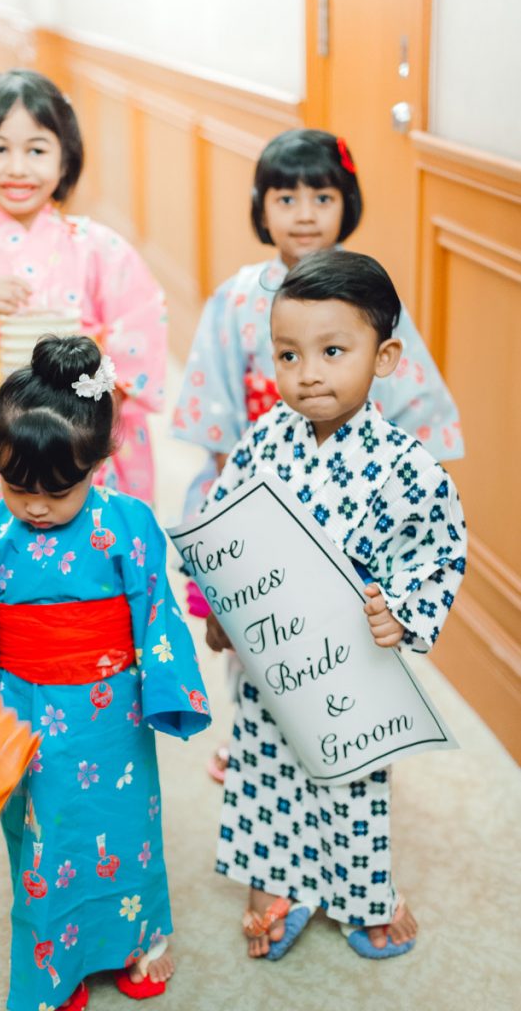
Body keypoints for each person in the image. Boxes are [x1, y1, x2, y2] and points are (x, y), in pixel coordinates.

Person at [0, 336, 210, 1010]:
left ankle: (138, 941)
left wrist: (167, 690)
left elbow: (156, 612)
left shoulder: (128, 524)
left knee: (128, 831)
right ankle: (53, 967)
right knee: (43, 843)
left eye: (57, 490)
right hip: (23, 712)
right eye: (14, 485)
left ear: (98, 461)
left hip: (112, 717)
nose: (33, 505)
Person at [197, 250, 466, 962]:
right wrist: (218, 607)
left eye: (332, 350)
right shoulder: (262, 443)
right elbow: (220, 530)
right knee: (262, 771)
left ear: (383, 358)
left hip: (349, 669)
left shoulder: (406, 467)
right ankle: (273, 886)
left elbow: (435, 549)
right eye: (287, 355)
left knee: (350, 785)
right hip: (271, 660)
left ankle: (359, 895)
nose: (306, 371)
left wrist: (401, 611)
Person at [171, 128, 464, 781]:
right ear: (260, 206)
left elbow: (411, 407)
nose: (303, 213)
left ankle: (343, 741)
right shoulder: (235, 300)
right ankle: (252, 737)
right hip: (258, 489)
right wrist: (232, 506)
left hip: (349, 502)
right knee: (255, 634)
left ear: (346, 203)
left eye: (321, 196)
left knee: (339, 645)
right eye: (285, 197)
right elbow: (216, 409)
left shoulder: (369, 297)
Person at [0, 69, 166, 542]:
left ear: (66, 158)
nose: (17, 167)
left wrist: (94, 358)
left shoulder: (101, 249)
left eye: (37, 150)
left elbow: (142, 338)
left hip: (80, 447)